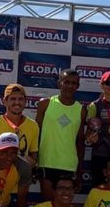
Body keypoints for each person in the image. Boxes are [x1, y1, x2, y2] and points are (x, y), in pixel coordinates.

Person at [36, 69, 86, 200]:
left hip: (69, 165)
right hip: (46, 162)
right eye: (66, 82)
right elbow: (36, 135)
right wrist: (34, 161)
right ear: (59, 84)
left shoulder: (81, 110)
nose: (70, 86)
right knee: (48, 205)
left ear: (78, 86)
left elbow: (80, 142)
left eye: (74, 83)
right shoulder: (45, 104)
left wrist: (79, 172)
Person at [0, 84, 39, 167]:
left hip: (19, 175)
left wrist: (21, 159)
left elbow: (33, 158)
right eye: (13, 99)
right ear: (5, 102)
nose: (17, 102)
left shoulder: (33, 125)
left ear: (26, 102)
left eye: (20, 99)